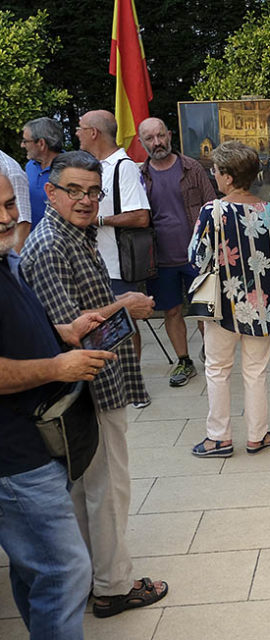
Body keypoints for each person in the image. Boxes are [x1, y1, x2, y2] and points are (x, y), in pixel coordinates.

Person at [18, 151, 167, 619]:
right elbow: (70, 332)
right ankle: (113, 587)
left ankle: (93, 579)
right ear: (51, 192)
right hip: (88, 387)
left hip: (100, 383)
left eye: (92, 191)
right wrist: (124, 305)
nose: (85, 200)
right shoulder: (49, 245)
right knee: (106, 489)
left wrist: (116, 304)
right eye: (74, 191)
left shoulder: (72, 235)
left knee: (91, 490)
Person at [0, 172, 116, 639]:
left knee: (39, 568)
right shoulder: (40, 245)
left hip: (32, 445)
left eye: (9, 204)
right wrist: (56, 368)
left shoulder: (8, 258)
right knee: (66, 570)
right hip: (15, 458)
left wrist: (61, 335)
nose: (7, 217)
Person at [188, 141, 270, 458]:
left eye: (216, 170)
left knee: (218, 369)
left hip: (223, 305)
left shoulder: (213, 211)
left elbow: (196, 257)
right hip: (263, 305)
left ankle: (218, 438)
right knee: (255, 371)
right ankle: (257, 435)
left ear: (226, 176)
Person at [138, 117, 216, 386]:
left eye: (160, 135)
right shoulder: (140, 176)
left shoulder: (191, 167)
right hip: (160, 259)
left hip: (197, 256)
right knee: (171, 312)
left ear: (169, 135)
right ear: (141, 142)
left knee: (203, 312)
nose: (157, 142)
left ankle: (212, 355)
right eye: (149, 138)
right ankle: (184, 361)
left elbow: (212, 207)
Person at [77, 109, 152, 369]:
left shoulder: (124, 166)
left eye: (80, 128)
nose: (77, 133)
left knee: (123, 321)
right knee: (102, 322)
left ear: (94, 133)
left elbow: (141, 216)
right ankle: (113, 375)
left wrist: (98, 220)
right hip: (95, 263)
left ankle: (133, 379)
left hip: (117, 263)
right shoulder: (94, 167)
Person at [22, 117, 63, 232]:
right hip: (30, 243)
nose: (22, 145)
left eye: (25, 141)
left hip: (58, 244)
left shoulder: (70, 169)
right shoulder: (30, 166)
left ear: (41, 143)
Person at [0, 149, 31, 251]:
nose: (5, 218)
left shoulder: (11, 170)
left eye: (9, 205)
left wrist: (12, 265)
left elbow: (23, 225)